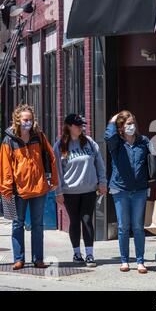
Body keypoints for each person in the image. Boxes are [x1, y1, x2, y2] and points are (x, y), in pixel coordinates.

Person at [0, 104, 59, 271]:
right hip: (18, 190)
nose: (28, 122)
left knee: (38, 225)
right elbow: (5, 166)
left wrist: (53, 180)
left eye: (31, 119)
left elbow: (51, 157)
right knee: (17, 224)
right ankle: (19, 259)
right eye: (25, 120)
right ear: (17, 120)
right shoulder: (9, 140)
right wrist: (6, 190)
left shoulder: (39, 137)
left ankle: (38, 259)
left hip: (39, 188)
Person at [105, 111, 156, 273]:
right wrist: (113, 119)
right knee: (123, 226)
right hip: (120, 189)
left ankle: (140, 261)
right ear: (121, 127)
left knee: (138, 226)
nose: (131, 127)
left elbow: (155, 162)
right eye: (127, 124)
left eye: (132, 123)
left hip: (140, 189)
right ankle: (124, 261)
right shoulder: (116, 142)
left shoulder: (143, 141)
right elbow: (108, 136)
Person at [54, 114, 108, 268]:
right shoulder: (60, 146)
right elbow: (57, 170)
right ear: (69, 126)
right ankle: (77, 253)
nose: (81, 127)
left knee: (87, 220)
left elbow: (99, 163)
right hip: (70, 191)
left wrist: (102, 182)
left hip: (89, 189)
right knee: (74, 221)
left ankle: (90, 254)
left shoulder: (89, 143)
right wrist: (58, 192)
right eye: (77, 125)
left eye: (82, 125)